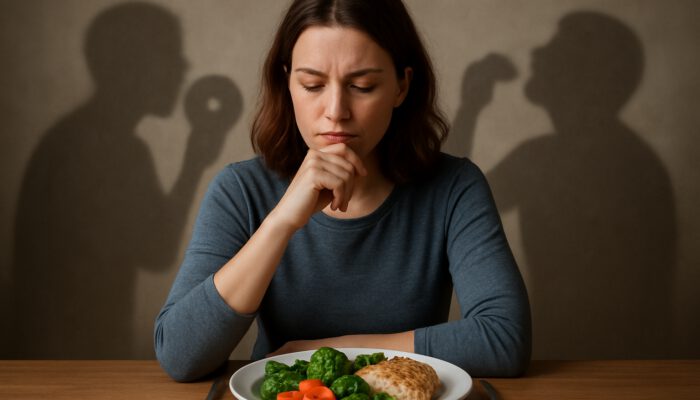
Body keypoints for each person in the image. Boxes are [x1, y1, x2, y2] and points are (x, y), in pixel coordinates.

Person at [155, 0, 530, 382]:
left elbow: (504, 339)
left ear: (402, 85)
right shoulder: (241, 190)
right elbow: (180, 356)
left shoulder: (454, 187)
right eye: (312, 85)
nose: (335, 110)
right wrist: (280, 222)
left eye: (362, 86)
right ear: (287, 82)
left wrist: (328, 351)